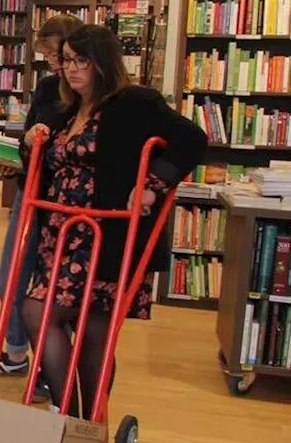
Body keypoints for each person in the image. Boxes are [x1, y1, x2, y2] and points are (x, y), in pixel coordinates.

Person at [21, 24, 205, 418]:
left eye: (81, 61)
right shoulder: (67, 111)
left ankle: (86, 425)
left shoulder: (134, 102)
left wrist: (152, 185)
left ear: (103, 63)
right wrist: (32, 140)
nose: (70, 69)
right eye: (66, 60)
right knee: (37, 313)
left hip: (105, 235)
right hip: (60, 233)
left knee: (91, 335)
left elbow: (193, 139)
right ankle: (71, 419)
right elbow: (52, 165)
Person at [0, 13, 84, 402]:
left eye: (59, 56)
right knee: (11, 279)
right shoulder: (48, 87)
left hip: (64, 201)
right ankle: (17, 355)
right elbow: (30, 137)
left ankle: (48, 368)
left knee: (54, 289)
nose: (55, 64)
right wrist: (15, 156)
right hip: (30, 189)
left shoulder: (91, 96)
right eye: (51, 57)